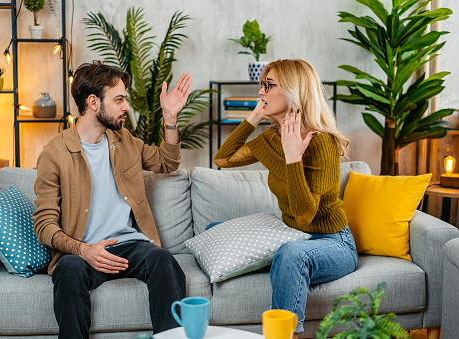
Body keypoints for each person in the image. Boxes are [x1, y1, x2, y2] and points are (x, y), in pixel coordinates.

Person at [33, 61, 191, 339]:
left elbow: (168, 163)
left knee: (164, 261)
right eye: (119, 99)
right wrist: (84, 250)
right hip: (83, 254)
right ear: (93, 102)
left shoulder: (124, 139)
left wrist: (170, 118)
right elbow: (44, 225)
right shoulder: (54, 153)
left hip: (130, 246)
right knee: (68, 270)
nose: (126, 107)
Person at [214, 59, 357, 338]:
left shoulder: (321, 142)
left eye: (269, 86)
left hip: (332, 242)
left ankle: (283, 335)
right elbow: (223, 158)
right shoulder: (270, 137)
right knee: (217, 232)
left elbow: (306, 216)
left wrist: (294, 158)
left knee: (291, 253)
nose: (261, 92)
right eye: (261, 85)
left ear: (293, 90)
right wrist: (253, 117)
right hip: (293, 236)